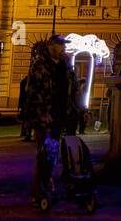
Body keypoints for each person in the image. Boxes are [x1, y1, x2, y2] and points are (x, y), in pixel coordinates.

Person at [25, 36, 80, 206]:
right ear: (51, 46)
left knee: (54, 152)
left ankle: (48, 184)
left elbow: (73, 88)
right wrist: (42, 112)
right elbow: (34, 91)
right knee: (44, 153)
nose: (63, 48)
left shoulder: (65, 65)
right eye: (60, 45)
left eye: (64, 45)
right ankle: (38, 191)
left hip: (61, 114)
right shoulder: (40, 65)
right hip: (45, 115)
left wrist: (77, 109)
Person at [17, 75, 33, 141]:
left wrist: (19, 105)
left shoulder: (24, 82)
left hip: (25, 103)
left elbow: (21, 94)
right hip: (28, 103)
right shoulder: (28, 82)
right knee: (28, 119)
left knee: (26, 119)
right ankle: (27, 134)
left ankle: (25, 133)